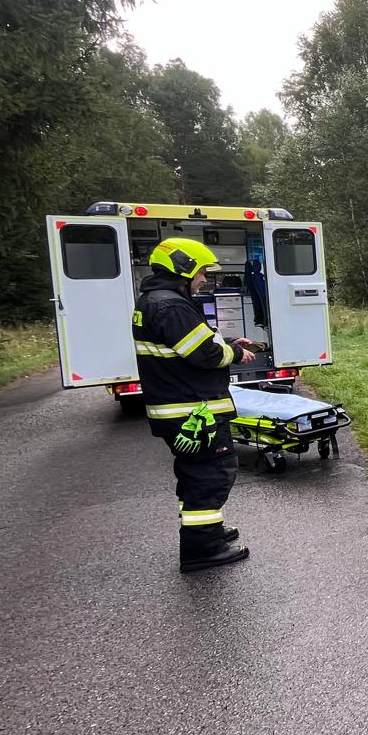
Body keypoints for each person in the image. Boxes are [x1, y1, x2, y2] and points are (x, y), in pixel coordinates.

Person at [133, 238, 257, 571]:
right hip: (192, 413)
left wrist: (227, 341)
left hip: (182, 410)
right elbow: (205, 354)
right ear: (184, 268)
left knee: (197, 475)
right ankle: (202, 548)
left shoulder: (158, 302)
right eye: (201, 272)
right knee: (211, 475)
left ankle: (207, 531)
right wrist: (234, 353)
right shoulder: (171, 306)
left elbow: (189, 345)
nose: (203, 279)